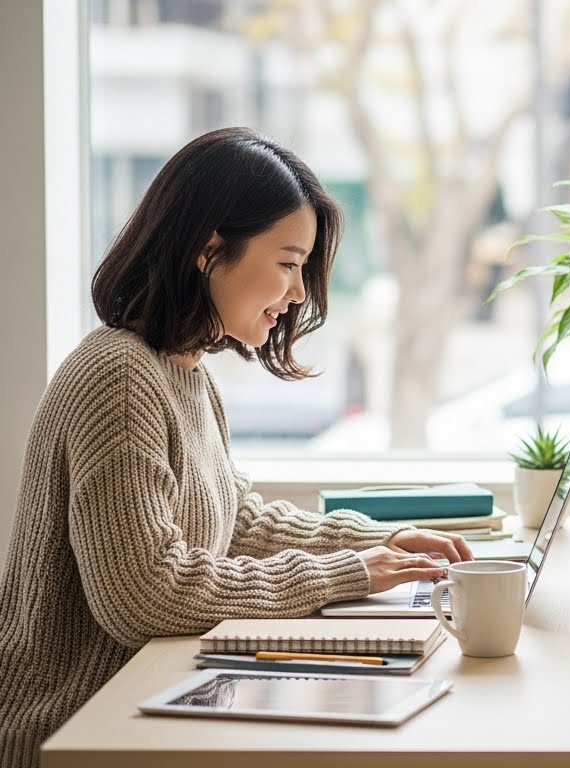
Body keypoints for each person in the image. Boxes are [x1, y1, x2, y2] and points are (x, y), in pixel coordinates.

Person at [0, 127, 473, 767]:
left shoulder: (184, 370)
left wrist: (371, 545)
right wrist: (346, 573)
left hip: (142, 709)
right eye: (287, 263)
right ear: (209, 249)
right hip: (72, 729)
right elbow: (147, 594)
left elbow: (234, 520)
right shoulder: (118, 376)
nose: (300, 293)